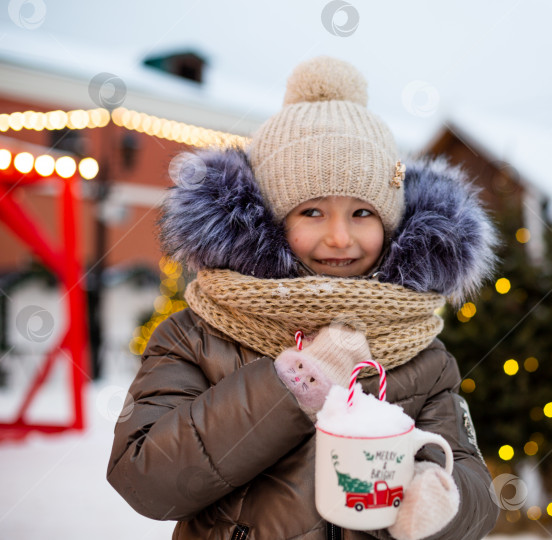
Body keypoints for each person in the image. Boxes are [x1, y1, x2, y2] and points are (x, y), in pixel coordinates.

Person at [107, 56, 500, 540]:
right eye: (312, 211)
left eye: (361, 212)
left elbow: (473, 486)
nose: (339, 237)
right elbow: (145, 479)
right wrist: (291, 388)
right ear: (271, 219)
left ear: (392, 222)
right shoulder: (196, 336)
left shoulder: (422, 353)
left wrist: (441, 502)